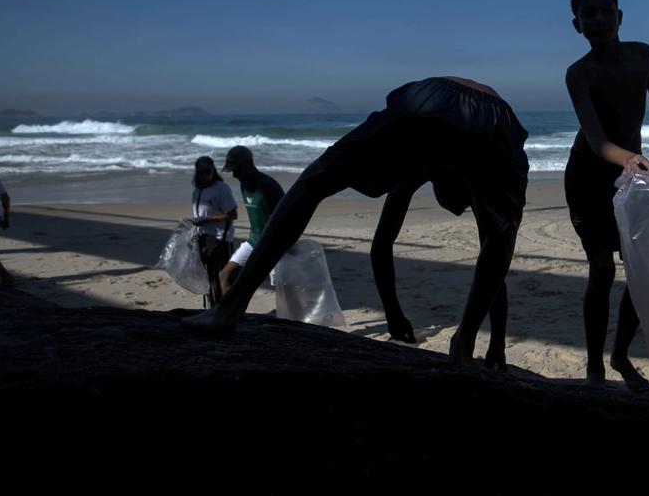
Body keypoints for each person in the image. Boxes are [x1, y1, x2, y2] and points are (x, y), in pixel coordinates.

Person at [183, 77, 529, 368]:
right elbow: (491, 258)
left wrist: (398, 316)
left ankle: (230, 308)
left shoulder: (417, 163)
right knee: (498, 236)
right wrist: (394, 314)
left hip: (432, 100)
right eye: (461, 202)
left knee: (316, 178)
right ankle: (464, 346)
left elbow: (383, 246)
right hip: (479, 116)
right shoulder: (424, 163)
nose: (460, 209)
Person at [565, 0, 649, 391]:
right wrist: (629, 159)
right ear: (577, 26)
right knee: (602, 269)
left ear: (620, 16)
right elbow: (595, 138)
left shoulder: (642, 55)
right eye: (589, 14)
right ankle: (594, 368)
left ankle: (620, 354)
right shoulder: (578, 73)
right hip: (588, 177)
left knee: (642, 274)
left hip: (630, 178)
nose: (599, 19)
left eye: (606, 11)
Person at [369, 178, 510, 368]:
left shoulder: (482, 175)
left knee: (494, 242)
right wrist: (393, 313)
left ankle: (472, 342)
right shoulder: (413, 166)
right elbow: (381, 243)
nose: (460, 211)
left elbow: (495, 263)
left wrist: (496, 344)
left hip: (486, 167)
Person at [218, 146, 284, 297]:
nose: (234, 175)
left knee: (282, 287)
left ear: (247, 164)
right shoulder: (244, 184)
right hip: (254, 240)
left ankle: (289, 317)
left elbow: (287, 216)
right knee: (226, 275)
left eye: (236, 169)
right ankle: (229, 314)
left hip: (273, 245)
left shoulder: (268, 186)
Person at [189, 156, 238, 308]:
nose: (204, 174)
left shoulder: (221, 188)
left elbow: (232, 214)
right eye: (201, 171)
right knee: (208, 275)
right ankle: (212, 307)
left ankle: (225, 308)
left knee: (222, 276)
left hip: (220, 238)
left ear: (213, 171)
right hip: (203, 237)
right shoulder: (197, 190)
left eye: (207, 171)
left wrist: (208, 219)